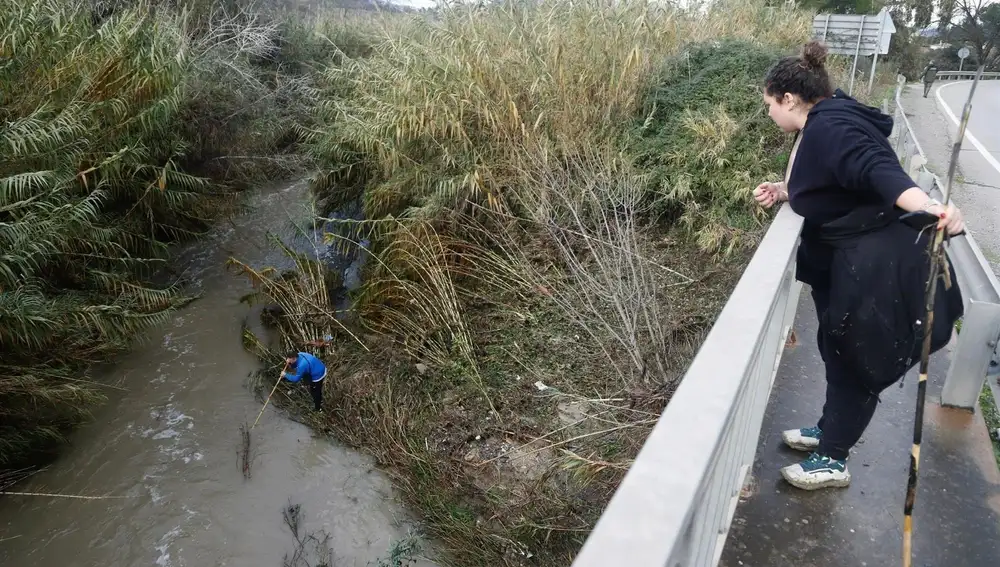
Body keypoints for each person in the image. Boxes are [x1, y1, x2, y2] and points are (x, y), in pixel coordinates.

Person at [753, 41, 966, 491]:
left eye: (769, 103)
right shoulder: (828, 113)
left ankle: (834, 458)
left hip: (872, 266)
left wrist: (931, 207)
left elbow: (877, 170)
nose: (769, 112)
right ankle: (829, 430)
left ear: (788, 98)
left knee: (854, 357)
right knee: (833, 346)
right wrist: (788, 190)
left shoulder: (832, 128)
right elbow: (838, 178)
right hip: (849, 259)